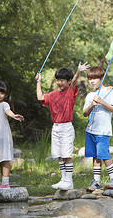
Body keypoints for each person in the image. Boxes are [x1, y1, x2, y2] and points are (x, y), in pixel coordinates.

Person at [35, 62, 90, 190]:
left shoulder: (70, 92)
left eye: (62, 81)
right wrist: (38, 82)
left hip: (66, 127)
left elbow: (75, 81)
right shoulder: (53, 94)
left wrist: (78, 71)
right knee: (59, 155)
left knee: (66, 155)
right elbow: (39, 97)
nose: (59, 83)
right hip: (56, 127)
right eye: (58, 80)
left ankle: (69, 181)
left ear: (69, 81)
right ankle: (63, 179)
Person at [83, 66, 113, 192]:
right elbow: (84, 113)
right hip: (90, 130)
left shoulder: (109, 92)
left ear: (101, 78)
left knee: (104, 155)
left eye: (95, 78)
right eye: (90, 79)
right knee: (95, 156)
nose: (92, 81)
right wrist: (91, 105)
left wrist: (101, 101)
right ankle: (97, 181)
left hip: (103, 131)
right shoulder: (90, 95)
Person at [0, 81, 24, 190]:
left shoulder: (4, 105)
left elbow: (8, 111)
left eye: (2, 93)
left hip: (3, 136)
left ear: (6, 95)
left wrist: (14, 116)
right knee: (0, 159)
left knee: (5, 159)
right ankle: (3, 183)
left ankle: (6, 184)